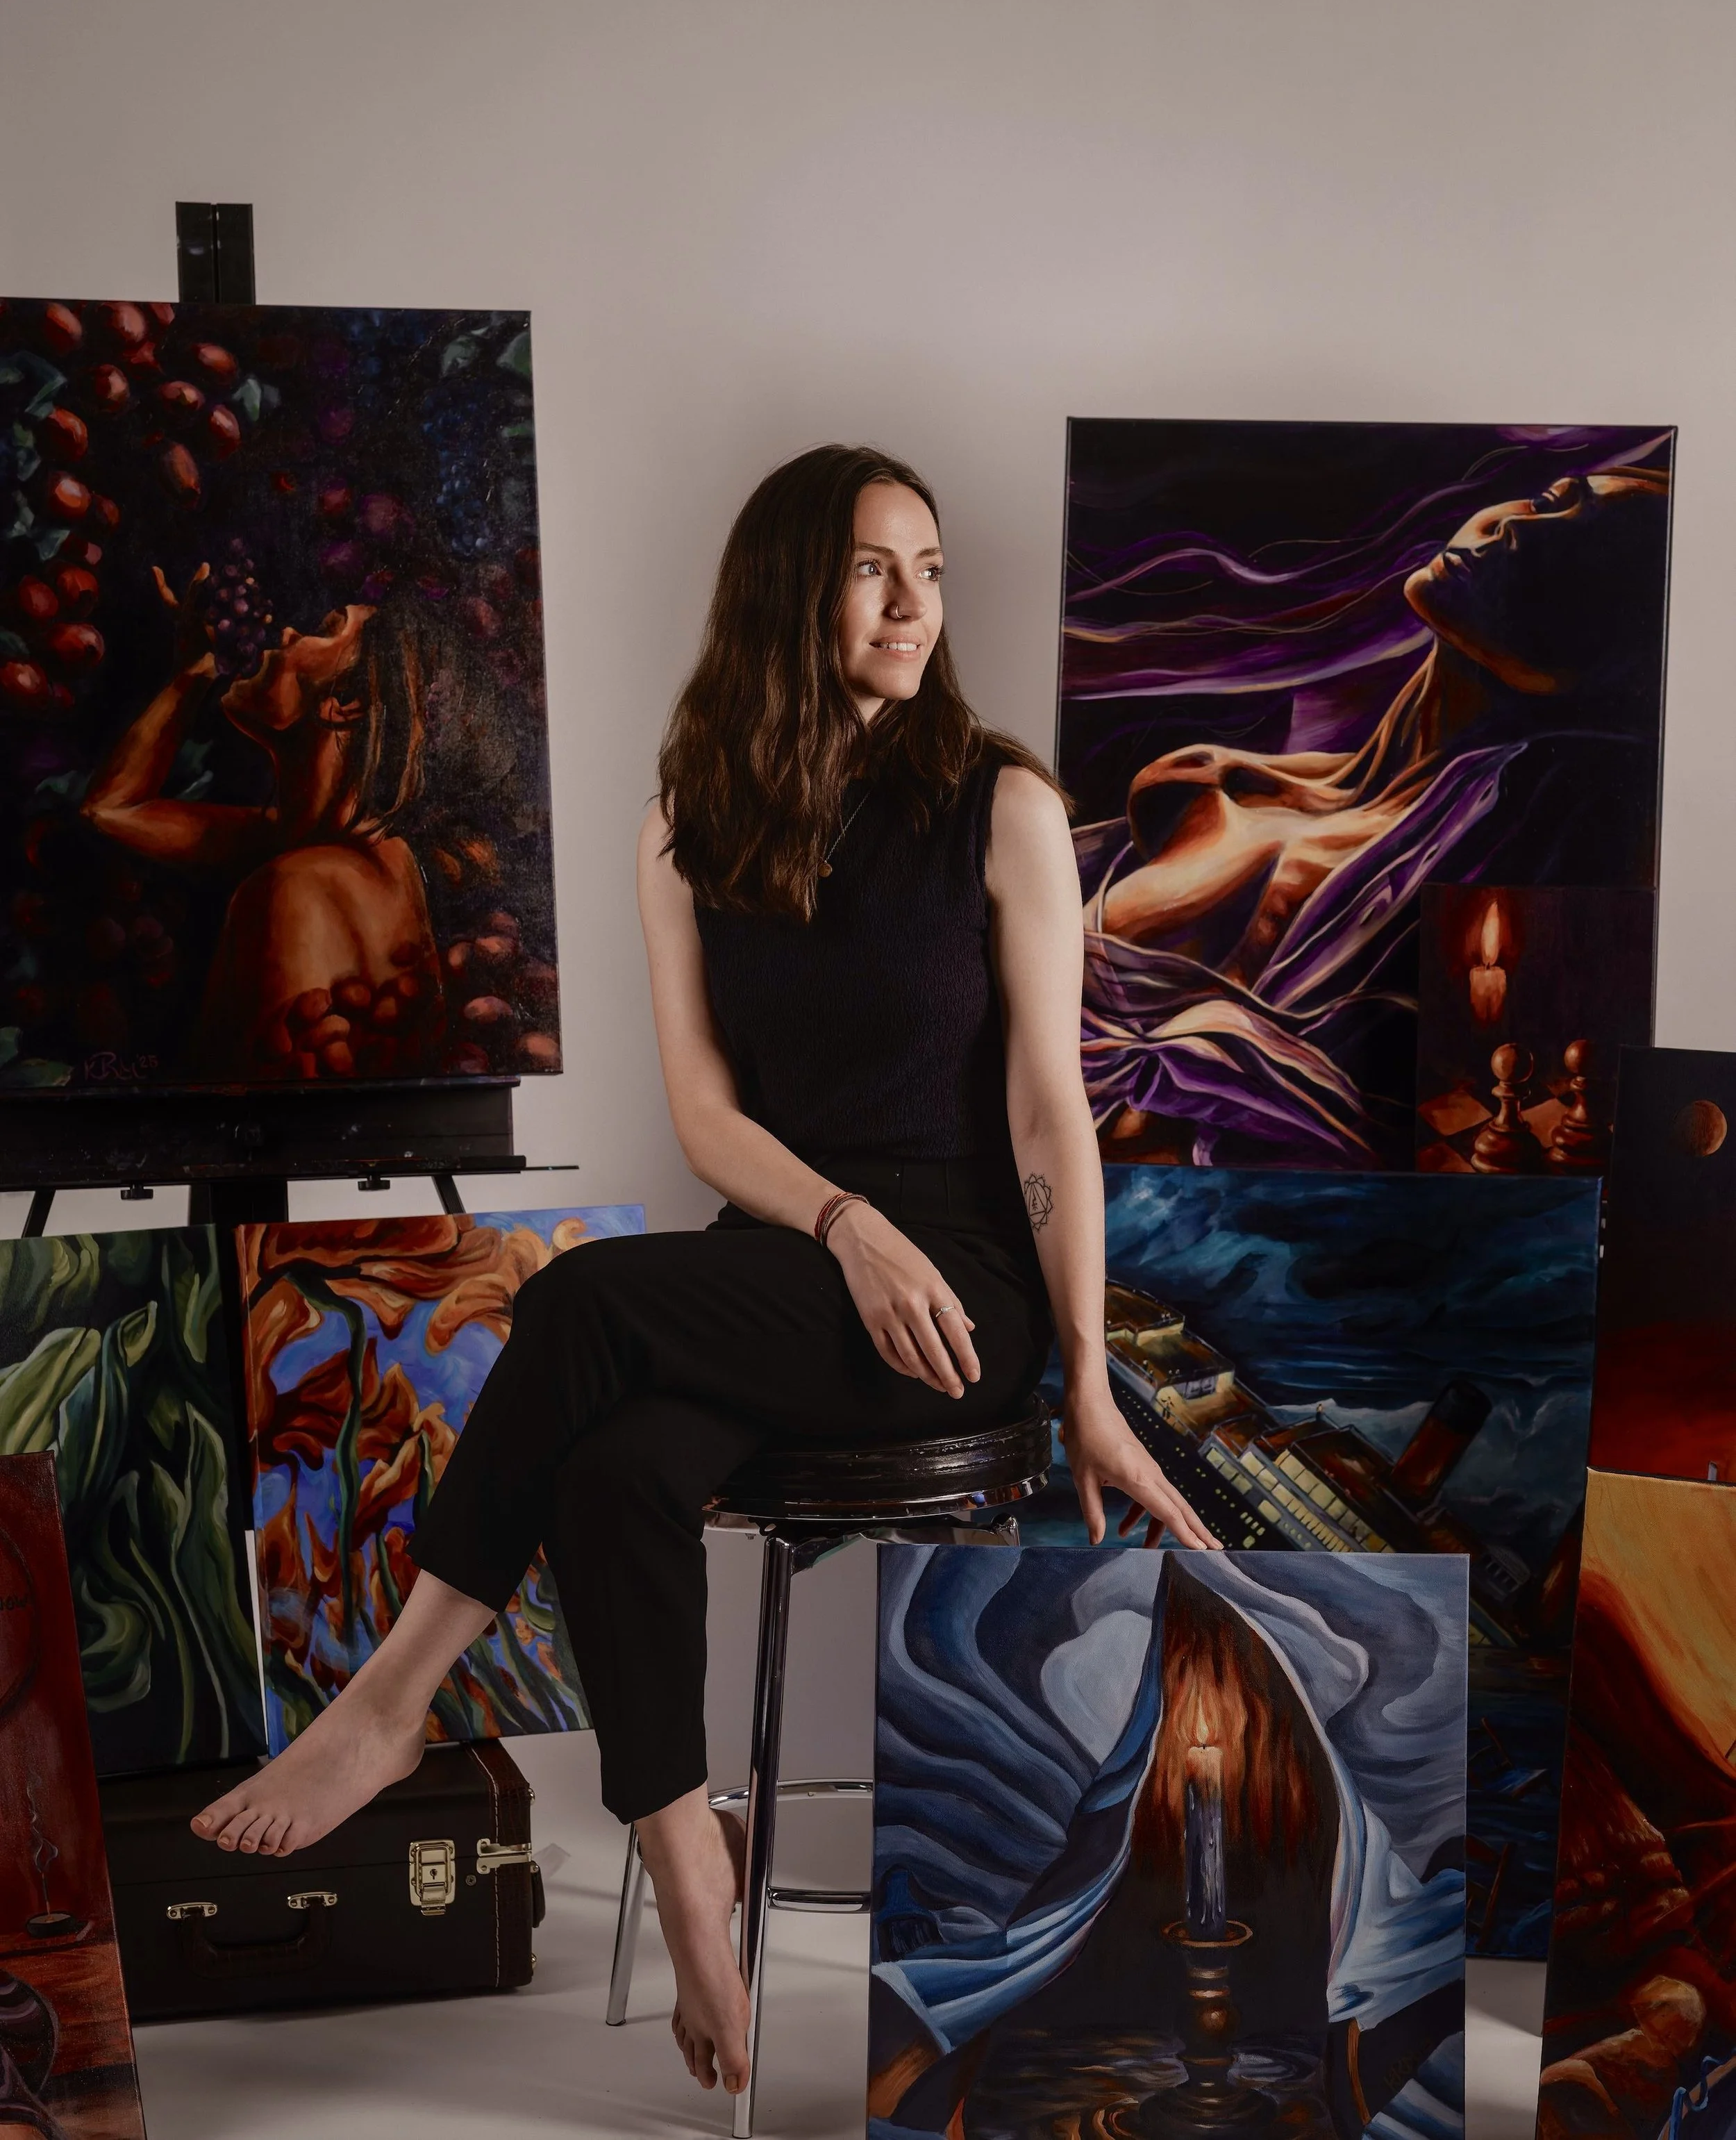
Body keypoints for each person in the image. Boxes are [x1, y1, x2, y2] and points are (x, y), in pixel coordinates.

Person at [187, 444, 1221, 2101]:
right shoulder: (692, 818)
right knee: (611, 1466)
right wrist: (835, 1221)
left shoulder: (1000, 803)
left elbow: (1049, 1107)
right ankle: (687, 1861)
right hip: (803, 1252)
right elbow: (705, 1113)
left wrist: (1087, 1372)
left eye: (930, 569)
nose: (912, 603)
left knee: (582, 1299)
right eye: (875, 567)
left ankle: (393, 1699)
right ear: (789, 585)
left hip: (959, 1288)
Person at [1080, 467, 1669, 1163]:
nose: (1514, 529)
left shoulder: (1509, 860)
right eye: (1549, 500)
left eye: (1584, 559)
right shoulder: (1202, 781)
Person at [81, 574, 449, 1078]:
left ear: (345, 704)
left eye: (325, 629)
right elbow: (111, 809)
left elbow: (265, 1124)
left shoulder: (294, 885)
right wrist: (192, 670)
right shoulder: (368, 852)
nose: (289, 633)